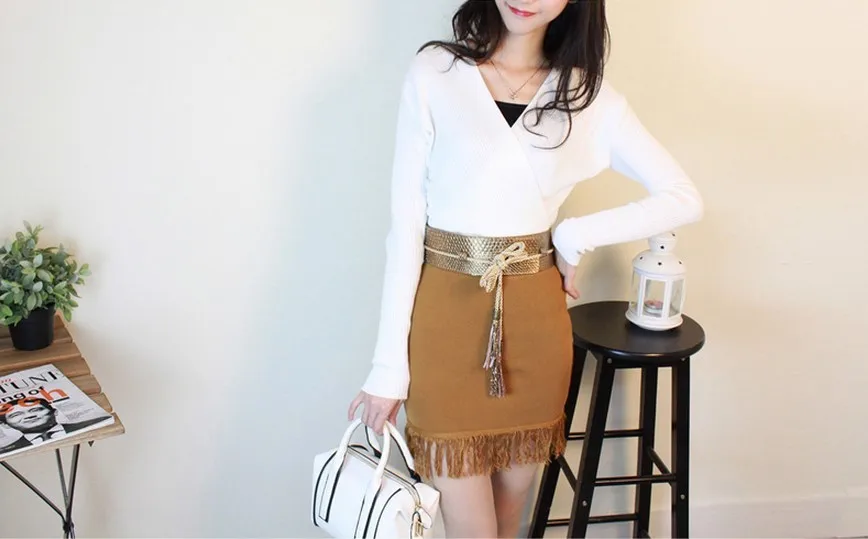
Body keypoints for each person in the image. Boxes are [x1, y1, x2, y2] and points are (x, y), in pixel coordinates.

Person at [347, 1, 704, 536]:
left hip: (536, 328)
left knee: (509, 517)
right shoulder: (436, 72)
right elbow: (405, 232)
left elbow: (682, 197)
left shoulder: (588, 97)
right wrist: (387, 370)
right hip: (443, 324)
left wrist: (573, 235)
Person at [0, 397, 108, 454]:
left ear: (54, 412)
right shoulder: (7, 449)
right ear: (5, 425)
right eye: (16, 415)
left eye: (36, 410)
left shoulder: (92, 424)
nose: (29, 416)